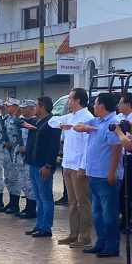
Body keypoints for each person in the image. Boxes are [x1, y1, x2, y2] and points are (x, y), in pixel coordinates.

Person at [74, 93, 123, 258]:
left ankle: (112, 246)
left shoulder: (113, 123)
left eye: (95, 103)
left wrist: (112, 172)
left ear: (102, 105)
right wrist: (85, 127)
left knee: (109, 214)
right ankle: (100, 242)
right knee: (97, 213)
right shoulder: (96, 121)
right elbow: (76, 126)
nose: (93, 106)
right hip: (94, 174)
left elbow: (117, 150)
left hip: (106, 176)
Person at [48, 88, 94, 247]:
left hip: (78, 166)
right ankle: (73, 234)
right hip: (67, 164)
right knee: (73, 203)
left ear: (78, 100)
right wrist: (62, 124)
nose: (68, 101)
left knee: (83, 203)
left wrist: (83, 167)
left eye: (69, 99)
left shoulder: (87, 118)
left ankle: (85, 236)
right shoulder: (71, 116)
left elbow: (88, 146)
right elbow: (51, 121)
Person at [22, 96, 62, 238]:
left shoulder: (52, 122)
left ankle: (46, 227)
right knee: (38, 197)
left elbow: (54, 146)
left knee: (46, 197)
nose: (35, 108)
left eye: (37, 105)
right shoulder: (36, 120)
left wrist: (48, 165)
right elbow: (18, 120)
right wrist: (24, 124)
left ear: (43, 107)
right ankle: (39, 225)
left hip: (43, 166)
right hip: (32, 164)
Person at [15, 100, 37, 219]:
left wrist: (26, 148)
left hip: (30, 157)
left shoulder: (35, 121)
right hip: (20, 157)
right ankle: (28, 207)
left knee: (30, 183)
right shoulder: (21, 121)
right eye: (21, 108)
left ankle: (32, 209)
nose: (22, 110)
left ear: (33, 108)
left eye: (25, 108)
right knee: (23, 182)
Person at [0, 98, 21, 215]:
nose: (6, 108)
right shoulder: (7, 119)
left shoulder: (19, 119)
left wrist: (12, 144)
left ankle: (15, 204)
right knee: (7, 178)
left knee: (14, 178)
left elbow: (20, 136)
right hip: (6, 152)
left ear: (15, 106)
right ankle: (11, 202)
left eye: (9, 106)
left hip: (14, 152)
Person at [116, 92, 132, 230]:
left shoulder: (130, 120)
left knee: (128, 189)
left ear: (128, 105)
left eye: (121, 103)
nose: (119, 105)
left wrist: (120, 131)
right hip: (123, 157)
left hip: (130, 156)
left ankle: (128, 220)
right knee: (123, 190)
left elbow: (128, 143)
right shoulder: (121, 118)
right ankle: (125, 218)